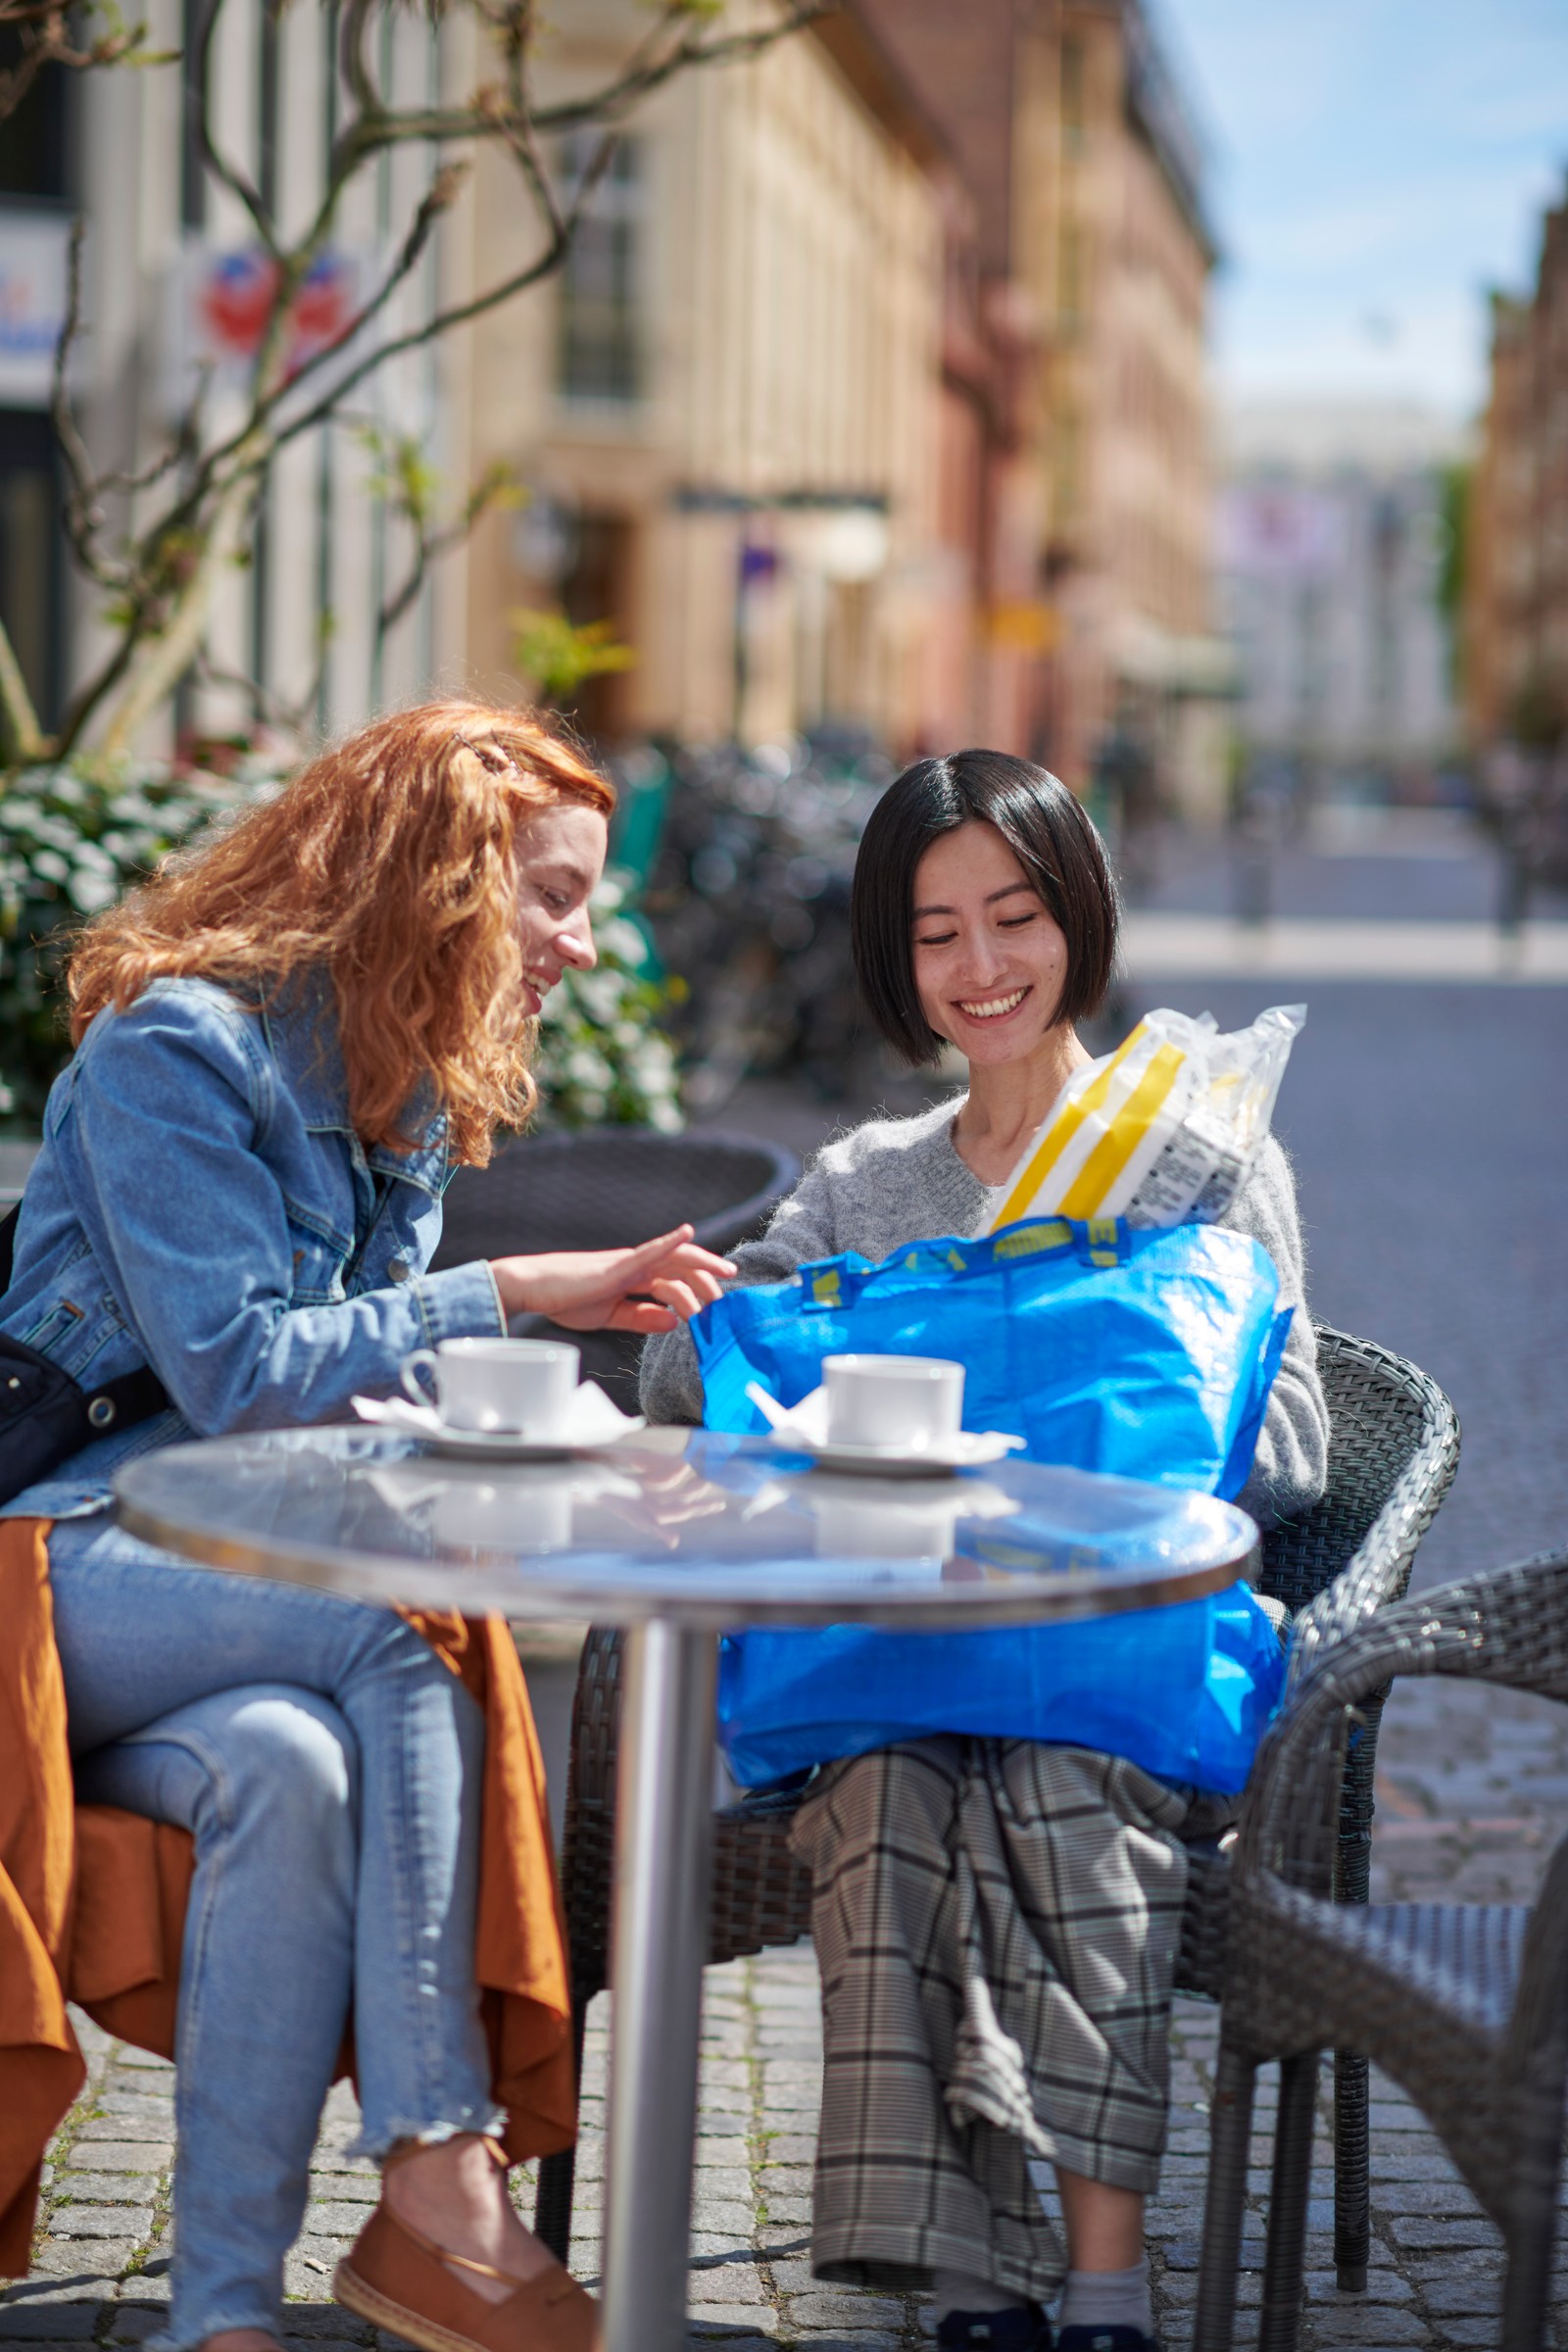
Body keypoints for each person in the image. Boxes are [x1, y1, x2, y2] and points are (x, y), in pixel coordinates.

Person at [0, 702, 735, 2352]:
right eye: (553, 893)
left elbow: (354, 1417)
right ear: (439, 880)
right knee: (395, 1626)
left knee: (293, 1764)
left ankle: (220, 2318)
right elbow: (250, 1373)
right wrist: (520, 1290)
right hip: (45, 1568)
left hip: (221, 1592)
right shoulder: (174, 1055)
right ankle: (432, 2173)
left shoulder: (394, 1087)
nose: (582, 936)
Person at [641, 749, 1329, 2352]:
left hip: (1116, 1660)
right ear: (897, 958)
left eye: (1013, 918)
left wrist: (1098, 1408)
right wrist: (701, 1324)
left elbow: (1293, 1439)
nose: (984, 968)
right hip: (892, 1658)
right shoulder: (864, 1184)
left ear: (1077, 916)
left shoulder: (1202, 1161)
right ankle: (959, 2277)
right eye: (938, 933)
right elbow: (709, 1382)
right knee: (886, 1798)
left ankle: (1101, 2280)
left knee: (1059, 1781)